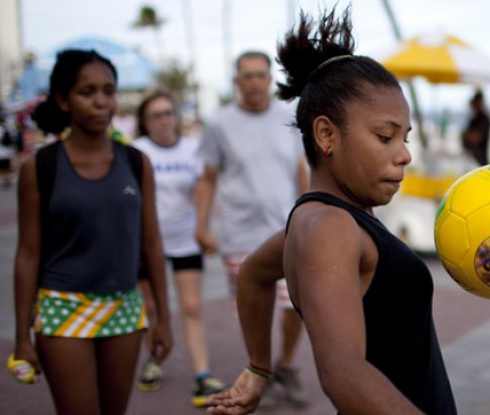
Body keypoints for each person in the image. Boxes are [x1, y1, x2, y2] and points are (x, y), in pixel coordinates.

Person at [205, 6, 457, 415]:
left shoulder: (324, 218)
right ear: (326, 134)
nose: (405, 155)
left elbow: (254, 273)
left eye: (405, 138)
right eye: (385, 136)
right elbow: (343, 375)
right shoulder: (328, 226)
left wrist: (258, 366)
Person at [12, 49, 172, 415]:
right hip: (61, 309)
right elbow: (27, 254)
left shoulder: (136, 162)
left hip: (125, 308)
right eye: (87, 92)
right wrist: (23, 337)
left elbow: (151, 243)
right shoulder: (41, 167)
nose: (101, 102)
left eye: (109, 91)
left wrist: (162, 318)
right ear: (63, 100)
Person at [195, 50, 310, 409]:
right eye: (247, 76)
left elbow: (300, 168)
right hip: (240, 233)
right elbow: (208, 177)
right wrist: (201, 226)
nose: (255, 82)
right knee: (254, 309)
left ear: (269, 79)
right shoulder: (219, 124)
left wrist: (311, 215)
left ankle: (287, 366)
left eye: (261, 75)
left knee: (296, 305)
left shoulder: (288, 117)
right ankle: (259, 371)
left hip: (285, 230)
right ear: (236, 81)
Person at [131, 89, 226, 406]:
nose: (163, 120)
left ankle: (202, 375)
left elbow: (203, 189)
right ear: (145, 121)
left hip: (185, 239)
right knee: (152, 310)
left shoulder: (191, 150)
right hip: (146, 244)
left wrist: (203, 227)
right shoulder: (136, 151)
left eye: (168, 113)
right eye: (155, 115)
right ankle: (154, 361)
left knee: (191, 307)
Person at [461, 88, 489, 166]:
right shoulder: (475, 118)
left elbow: (476, 137)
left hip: (479, 159)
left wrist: (466, 135)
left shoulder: (483, 118)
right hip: (473, 158)